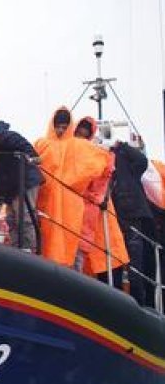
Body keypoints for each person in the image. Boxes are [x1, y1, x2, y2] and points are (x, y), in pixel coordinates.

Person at [34, 108, 111, 267]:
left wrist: (86, 189)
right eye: (58, 126)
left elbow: (105, 162)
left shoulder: (78, 145)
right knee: (46, 242)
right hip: (46, 203)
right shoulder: (41, 143)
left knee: (68, 243)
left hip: (69, 207)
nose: (60, 130)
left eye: (64, 126)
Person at [73, 117, 128, 286]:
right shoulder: (79, 156)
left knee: (110, 273)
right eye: (80, 131)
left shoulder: (100, 157)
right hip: (85, 227)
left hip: (101, 227)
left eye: (86, 132)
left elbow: (100, 182)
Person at [111, 140, 156, 305]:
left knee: (135, 264)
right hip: (112, 219)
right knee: (115, 262)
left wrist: (122, 146)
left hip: (131, 217)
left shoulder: (127, 163)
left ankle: (139, 303)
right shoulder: (99, 158)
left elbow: (142, 161)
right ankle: (116, 299)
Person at [0, 121, 44, 250]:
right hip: (11, 185)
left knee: (24, 216)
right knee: (11, 218)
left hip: (25, 180)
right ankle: (16, 248)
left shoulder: (3, 136)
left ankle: (29, 249)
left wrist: (33, 155)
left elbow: (21, 143)